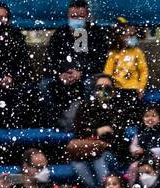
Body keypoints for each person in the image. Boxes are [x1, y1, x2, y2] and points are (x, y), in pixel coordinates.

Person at [42, 1, 114, 129]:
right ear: (68, 16)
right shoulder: (59, 35)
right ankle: (52, 126)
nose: (76, 20)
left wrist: (81, 73)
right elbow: (49, 61)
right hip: (62, 77)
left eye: (80, 17)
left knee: (91, 85)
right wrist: (61, 74)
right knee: (44, 85)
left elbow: (100, 61)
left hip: (87, 76)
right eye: (73, 16)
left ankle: (83, 124)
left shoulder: (96, 33)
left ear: (87, 16)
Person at [70, 76, 124, 188]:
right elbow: (79, 131)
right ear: (94, 90)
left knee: (99, 158)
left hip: (108, 152)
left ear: (113, 91)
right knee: (78, 165)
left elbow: (117, 137)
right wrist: (98, 131)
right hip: (86, 150)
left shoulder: (117, 109)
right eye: (99, 88)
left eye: (107, 88)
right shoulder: (85, 107)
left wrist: (94, 135)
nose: (103, 91)